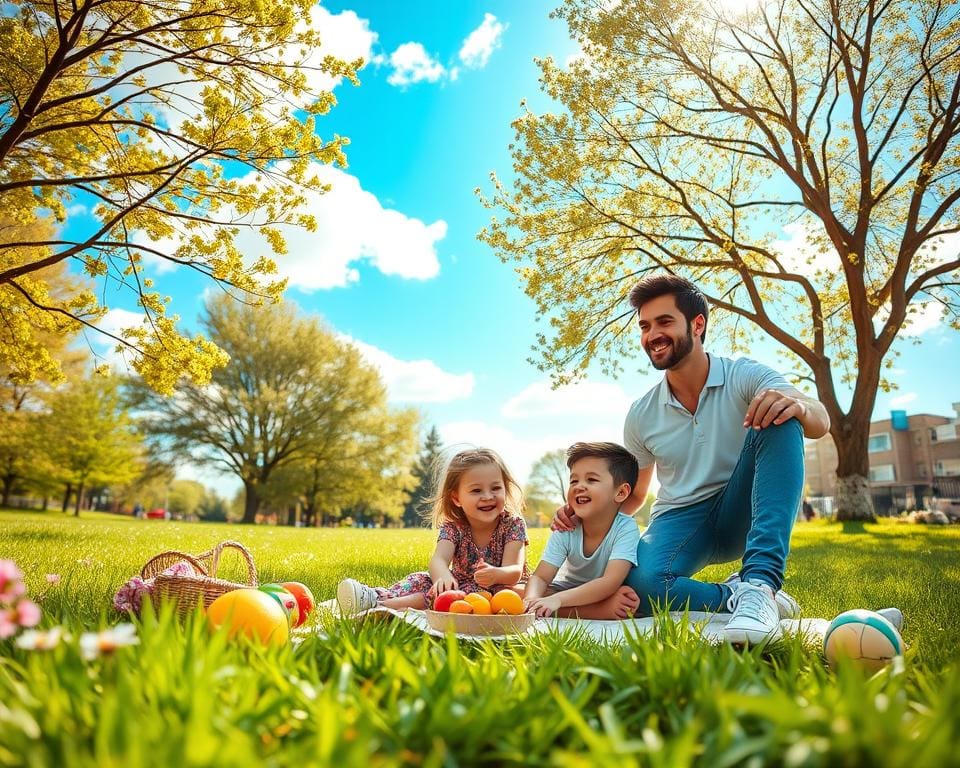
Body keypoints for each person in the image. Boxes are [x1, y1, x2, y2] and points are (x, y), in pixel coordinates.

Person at [555, 274, 830, 644]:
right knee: (642, 586)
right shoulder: (642, 413)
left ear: (697, 324)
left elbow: (821, 421)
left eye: (664, 322)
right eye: (645, 326)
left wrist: (798, 404)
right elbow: (633, 495)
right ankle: (737, 596)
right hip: (680, 518)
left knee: (781, 414)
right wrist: (585, 513)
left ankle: (761, 584)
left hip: (743, 506)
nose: (652, 335)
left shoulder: (743, 375)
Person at [336, 447, 529, 615]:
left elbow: (514, 571)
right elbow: (438, 559)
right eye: (476, 490)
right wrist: (443, 576)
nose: (488, 496)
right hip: (458, 585)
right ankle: (377, 596)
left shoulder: (512, 524)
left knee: (502, 595)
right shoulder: (453, 526)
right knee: (421, 580)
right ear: (456, 498)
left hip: (499, 590)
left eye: (496, 488)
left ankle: (383, 607)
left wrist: (495, 574)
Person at [524, 442, 642, 620]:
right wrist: (531, 599)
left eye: (591, 480)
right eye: (574, 480)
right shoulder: (565, 527)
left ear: (621, 492)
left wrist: (557, 600)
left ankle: (561, 608)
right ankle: (597, 611)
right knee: (517, 591)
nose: (579, 486)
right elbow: (541, 577)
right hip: (566, 590)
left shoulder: (625, 528)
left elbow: (609, 582)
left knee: (625, 595)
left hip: (602, 592)